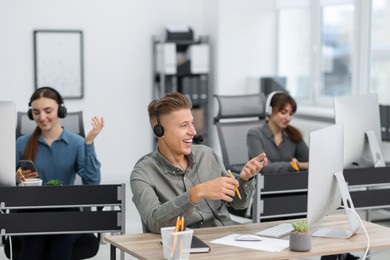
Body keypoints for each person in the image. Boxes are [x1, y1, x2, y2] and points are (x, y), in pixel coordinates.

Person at [130, 91, 268, 233]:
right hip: (184, 245)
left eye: (192, 123)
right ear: (160, 131)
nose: (193, 132)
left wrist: (245, 179)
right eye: (184, 125)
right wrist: (195, 194)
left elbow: (239, 204)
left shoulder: (207, 155)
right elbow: (154, 222)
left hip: (225, 239)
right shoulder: (142, 173)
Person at [15, 86, 104, 260]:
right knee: (37, 233)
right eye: (36, 112)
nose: (42, 117)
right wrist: (17, 178)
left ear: (61, 110)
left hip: (66, 214)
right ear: (30, 114)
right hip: (31, 214)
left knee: (60, 233)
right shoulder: (22, 144)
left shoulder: (77, 143)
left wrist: (89, 143)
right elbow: (6, 182)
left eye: (48, 111)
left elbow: (92, 182)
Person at [247, 91, 309, 174]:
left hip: (288, 183)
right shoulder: (255, 134)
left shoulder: (293, 134)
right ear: (270, 111)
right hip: (262, 184)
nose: (288, 118)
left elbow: (311, 161)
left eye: (291, 114)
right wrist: (295, 165)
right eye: (283, 112)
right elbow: (263, 168)